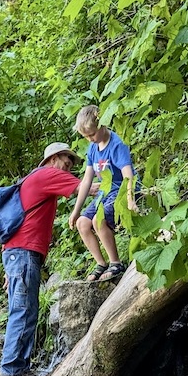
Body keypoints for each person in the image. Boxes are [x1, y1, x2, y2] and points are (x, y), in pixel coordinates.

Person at [0, 141, 93, 376]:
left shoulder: (32, 179)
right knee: (24, 311)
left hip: (17, 254)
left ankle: (16, 369)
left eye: (72, 164)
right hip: (24, 253)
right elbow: (87, 188)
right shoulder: (47, 174)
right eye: (67, 161)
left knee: (23, 309)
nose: (69, 167)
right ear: (53, 159)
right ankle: (12, 373)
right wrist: (121, 184)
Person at [68, 105, 137, 282]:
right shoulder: (93, 149)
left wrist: (130, 199)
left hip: (120, 191)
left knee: (99, 220)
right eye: (86, 137)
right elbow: (87, 181)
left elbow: (128, 174)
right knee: (83, 223)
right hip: (105, 193)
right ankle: (101, 263)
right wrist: (76, 210)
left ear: (102, 125)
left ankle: (116, 263)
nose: (90, 139)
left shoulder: (116, 145)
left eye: (92, 134)